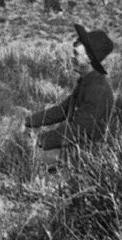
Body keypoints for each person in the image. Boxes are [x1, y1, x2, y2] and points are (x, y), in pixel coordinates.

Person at [25, 24, 115, 170]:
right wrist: (29, 121)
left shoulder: (97, 90)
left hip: (87, 158)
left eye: (76, 54)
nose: (72, 58)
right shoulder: (87, 83)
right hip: (76, 149)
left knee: (30, 156)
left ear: (89, 59)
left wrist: (40, 140)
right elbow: (62, 110)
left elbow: (77, 130)